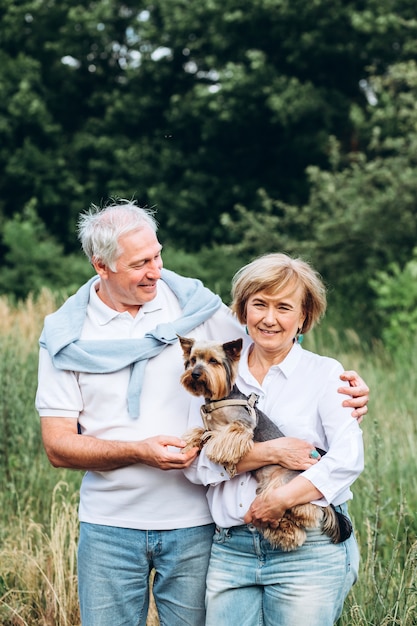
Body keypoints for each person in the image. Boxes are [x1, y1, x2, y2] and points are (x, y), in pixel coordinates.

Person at [35, 201, 369, 626]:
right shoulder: (66, 336)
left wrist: (346, 390)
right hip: (109, 525)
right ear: (101, 266)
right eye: (140, 263)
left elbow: (272, 335)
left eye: (157, 255)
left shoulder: (196, 307)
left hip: (196, 525)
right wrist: (139, 451)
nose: (155, 270)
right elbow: (58, 445)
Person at [184, 252, 365, 626]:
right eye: (259, 305)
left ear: (303, 317)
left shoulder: (324, 374)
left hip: (308, 550)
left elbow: (347, 457)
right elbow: (197, 467)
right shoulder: (218, 374)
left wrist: (280, 499)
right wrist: (270, 451)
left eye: (284, 307)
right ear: (243, 310)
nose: (269, 318)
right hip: (232, 549)